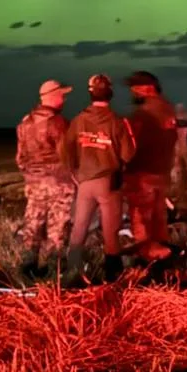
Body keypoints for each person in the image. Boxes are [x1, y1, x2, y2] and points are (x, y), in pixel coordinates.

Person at [60, 73, 136, 283]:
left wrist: (76, 174)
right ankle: (113, 277)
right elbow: (129, 153)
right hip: (108, 184)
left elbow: (66, 150)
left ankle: (70, 273)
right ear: (110, 93)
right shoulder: (118, 122)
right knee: (110, 232)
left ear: (90, 93)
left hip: (85, 183)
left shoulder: (78, 121)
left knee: (79, 228)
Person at [15, 79, 75, 276]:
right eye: (62, 95)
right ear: (54, 96)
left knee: (33, 224)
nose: (64, 99)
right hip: (59, 184)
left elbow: (20, 158)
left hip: (34, 184)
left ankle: (27, 268)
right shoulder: (58, 123)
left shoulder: (25, 123)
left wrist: (31, 176)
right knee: (58, 228)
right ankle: (54, 270)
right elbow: (68, 156)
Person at [123, 70, 177, 261]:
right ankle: (164, 256)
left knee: (141, 220)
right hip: (161, 172)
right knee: (158, 217)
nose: (133, 91)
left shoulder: (142, 114)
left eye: (136, 87)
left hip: (141, 173)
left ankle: (147, 259)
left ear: (149, 88)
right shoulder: (168, 109)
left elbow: (131, 145)